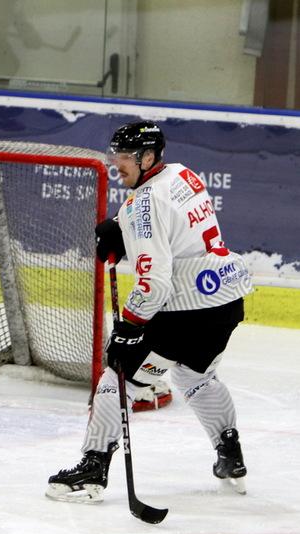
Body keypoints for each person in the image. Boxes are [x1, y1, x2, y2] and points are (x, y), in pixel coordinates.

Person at [46, 120, 253, 503]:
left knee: (117, 379)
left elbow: (154, 282)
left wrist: (129, 326)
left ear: (148, 157)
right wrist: (122, 229)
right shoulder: (182, 174)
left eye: (125, 158)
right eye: (116, 156)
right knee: (196, 375)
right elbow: (174, 229)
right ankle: (230, 454)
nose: (117, 164)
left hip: (182, 312)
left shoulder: (143, 202)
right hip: (223, 300)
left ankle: (93, 470)